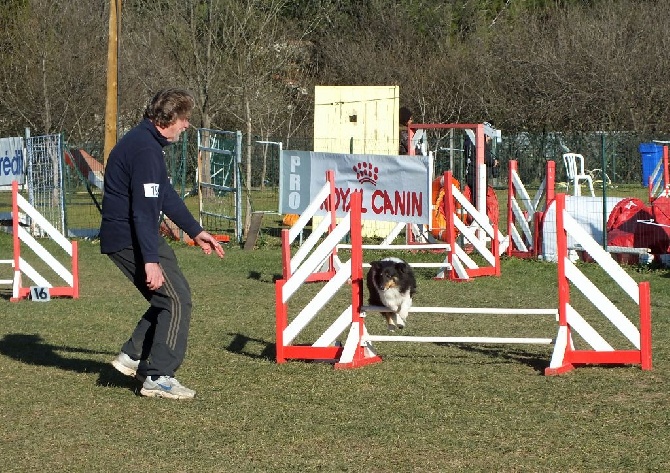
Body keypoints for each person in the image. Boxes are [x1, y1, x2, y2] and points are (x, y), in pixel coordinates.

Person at [101, 88, 225, 400]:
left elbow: (164, 195)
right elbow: (143, 211)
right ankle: (158, 376)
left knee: (169, 299)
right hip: (130, 237)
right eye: (184, 119)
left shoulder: (146, 145)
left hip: (130, 235)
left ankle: (134, 357)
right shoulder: (144, 150)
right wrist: (151, 260)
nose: (186, 126)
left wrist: (195, 231)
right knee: (175, 300)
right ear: (167, 119)